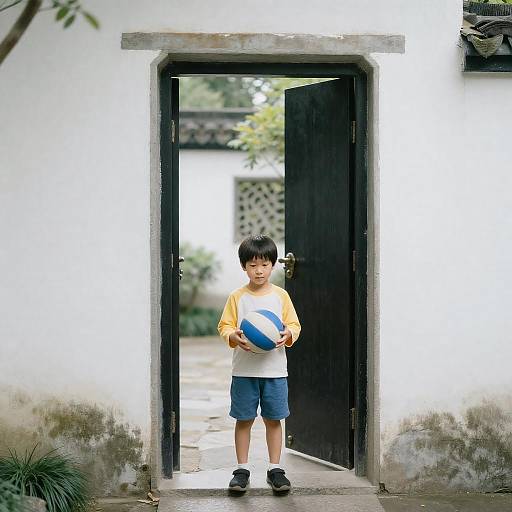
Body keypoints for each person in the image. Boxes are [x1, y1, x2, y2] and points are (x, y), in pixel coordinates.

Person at [217, 234, 301, 492]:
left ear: (273, 265)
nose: (259, 270)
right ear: (244, 267)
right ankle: (241, 469)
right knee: (243, 420)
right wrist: (232, 335)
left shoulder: (281, 296)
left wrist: (288, 334)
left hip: (274, 371)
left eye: (264, 264)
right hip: (244, 371)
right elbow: (225, 325)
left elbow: (294, 325)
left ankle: (275, 468)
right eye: (252, 265)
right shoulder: (237, 297)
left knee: (273, 420)